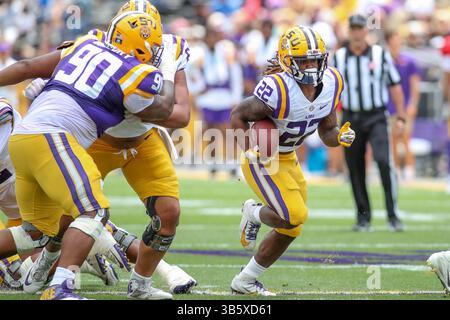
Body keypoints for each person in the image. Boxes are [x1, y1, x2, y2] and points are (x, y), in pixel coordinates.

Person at [20, 0, 197, 296]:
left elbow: (181, 115)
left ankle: (140, 285)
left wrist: (129, 105)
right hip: (100, 139)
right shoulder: (95, 42)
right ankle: (49, 257)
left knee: (169, 213)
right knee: (70, 214)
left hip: (144, 141)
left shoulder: (170, 51)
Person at [230, 25, 355, 295]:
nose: (311, 66)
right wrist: (251, 148)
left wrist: (340, 137)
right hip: (264, 159)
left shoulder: (332, 81)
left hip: (289, 157)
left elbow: (327, 131)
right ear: (288, 62)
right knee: (294, 215)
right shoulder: (277, 89)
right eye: (304, 60)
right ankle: (252, 212)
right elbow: (238, 114)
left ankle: (246, 280)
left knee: (292, 227)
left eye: (315, 60)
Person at [332, 14, 406, 232]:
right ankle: (363, 217)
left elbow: (394, 84)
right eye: (353, 28)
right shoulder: (339, 57)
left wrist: (400, 114)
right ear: (349, 30)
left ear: (366, 30)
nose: (356, 32)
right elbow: (330, 89)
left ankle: (393, 214)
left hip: (376, 116)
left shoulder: (379, 54)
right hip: (350, 117)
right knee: (355, 167)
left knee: (384, 161)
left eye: (359, 28)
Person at [386, 30, 421, 181]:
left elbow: (415, 85)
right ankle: (396, 169)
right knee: (392, 139)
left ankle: (409, 169)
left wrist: (413, 104)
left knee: (406, 138)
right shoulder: (385, 61)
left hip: (404, 106)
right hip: (389, 106)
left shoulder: (409, 61)